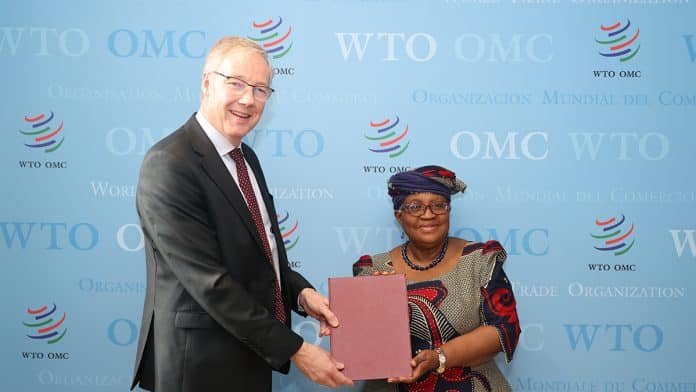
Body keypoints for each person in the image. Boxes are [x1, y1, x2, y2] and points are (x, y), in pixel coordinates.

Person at [130, 36, 353, 391]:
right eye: (235, 83)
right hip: (198, 366)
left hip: (250, 353)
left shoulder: (246, 157)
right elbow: (209, 282)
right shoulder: (169, 164)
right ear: (206, 83)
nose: (248, 99)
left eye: (261, 89)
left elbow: (259, 254)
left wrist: (300, 295)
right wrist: (295, 349)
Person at [353, 165, 520, 392]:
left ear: (449, 210)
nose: (428, 214)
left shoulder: (479, 260)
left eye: (438, 205)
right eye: (415, 207)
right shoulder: (374, 269)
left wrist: (439, 357)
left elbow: (502, 329)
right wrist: (381, 305)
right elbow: (360, 347)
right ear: (399, 216)